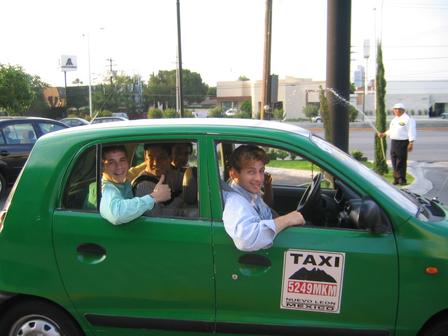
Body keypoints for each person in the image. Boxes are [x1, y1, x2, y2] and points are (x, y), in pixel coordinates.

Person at [222, 145, 305, 252]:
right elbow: (245, 240)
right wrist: (287, 219)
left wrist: (268, 186)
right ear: (234, 174)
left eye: (261, 171)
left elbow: (266, 208)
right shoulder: (235, 202)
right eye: (251, 172)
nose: (259, 178)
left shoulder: (249, 192)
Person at [99, 145, 171, 225]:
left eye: (122, 160)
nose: (119, 166)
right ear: (102, 167)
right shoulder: (106, 189)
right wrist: (154, 197)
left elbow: (140, 167)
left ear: (128, 162)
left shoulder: (123, 180)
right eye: (111, 162)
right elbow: (117, 214)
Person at [134, 143, 184, 216]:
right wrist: (181, 202)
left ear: (170, 158)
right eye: (151, 157)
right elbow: (156, 218)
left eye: (161, 157)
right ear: (145, 157)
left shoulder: (171, 175)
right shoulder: (142, 185)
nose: (155, 163)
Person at [378, 102, 416, 185]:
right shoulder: (394, 119)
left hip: (402, 142)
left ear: (403, 110)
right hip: (394, 142)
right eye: (395, 109)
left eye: (399, 109)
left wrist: (411, 143)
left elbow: (411, 131)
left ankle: (402, 179)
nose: (397, 110)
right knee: (394, 160)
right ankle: (396, 178)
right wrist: (384, 134)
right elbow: (392, 130)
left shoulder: (408, 119)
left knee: (401, 161)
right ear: (393, 110)